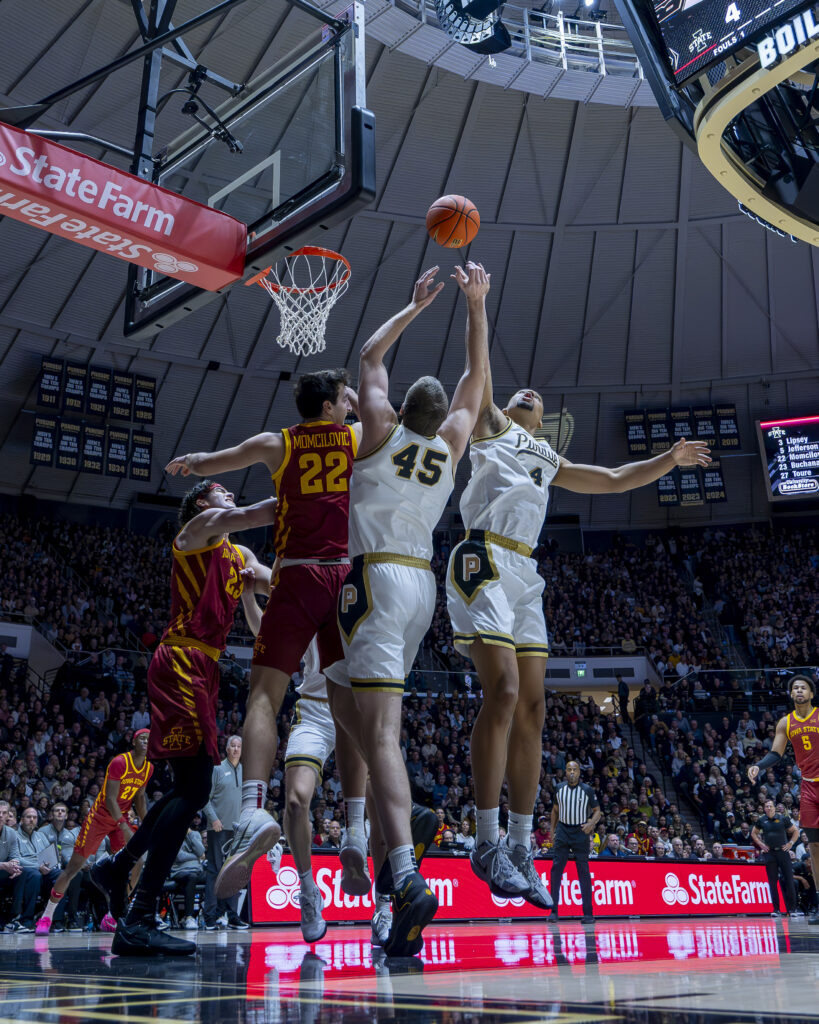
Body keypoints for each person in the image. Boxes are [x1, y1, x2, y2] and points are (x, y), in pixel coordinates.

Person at [446, 329, 711, 906]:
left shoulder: (550, 459)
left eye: (537, 397)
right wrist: (477, 305)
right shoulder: (492, 424)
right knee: (504, 691)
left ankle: (521, 846)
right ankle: (486, 840)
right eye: (521, 392)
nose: (529, 392)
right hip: (483, 555)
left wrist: (669, 460)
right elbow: (478, 368)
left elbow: (615, 480)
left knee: (534, 709)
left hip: (524, 572)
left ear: (543, 422)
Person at [325, 262, 490, 957]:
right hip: (421, 586)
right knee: (341, 697)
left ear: (395, 413)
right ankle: (392, 820)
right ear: (440, 418)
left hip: (373, 580)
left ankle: (404, 874)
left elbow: (369, 357)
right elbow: (474, 381)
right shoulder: (449, 446)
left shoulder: (379, 432)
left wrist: (417, 305)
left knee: (382, 733)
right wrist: (476, 307)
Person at [165, 372, 370, 900]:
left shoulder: (278, 443)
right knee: (351, 705)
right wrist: (358, 398)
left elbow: (220, 460)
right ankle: (357, 826)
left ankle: (254, 809)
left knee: (263, 697)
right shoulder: (354, 435)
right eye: (342, 400)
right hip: (342, 576)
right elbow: (382, 420)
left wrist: (194, 463)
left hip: (294, 574)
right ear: (332, 404)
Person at [92, 481, 274, 956]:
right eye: (221, 490)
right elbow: (255, 513)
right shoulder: (196, 532)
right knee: (194, 789)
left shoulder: (238, 554)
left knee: (185, 789)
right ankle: (139, 915)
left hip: (204, 667)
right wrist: (309, 502)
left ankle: (119, 867)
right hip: (180, 659)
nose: (230, 494)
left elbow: (272, 587)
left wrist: (315, 579)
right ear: (200, 503)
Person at [36, 731, 153, 935]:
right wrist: (125, 827)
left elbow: (140, 797)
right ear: (134, 742)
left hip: (121, 817)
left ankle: (114, 914)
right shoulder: (120, 762)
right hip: (100, 817)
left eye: (150, 739)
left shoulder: (149, 768)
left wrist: (148, 824)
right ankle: (47, 915)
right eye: (142, 738)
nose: (146, 741)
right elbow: (109, 799)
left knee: (139, 861)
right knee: (73, 868)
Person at [748, 674, 819, 924]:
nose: (799, 690)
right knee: (814, 847)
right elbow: (776, 753)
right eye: (795, 688)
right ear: (791, 694)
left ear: (811, 694)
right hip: (808, 787)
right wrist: (758, 765)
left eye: (803, 688)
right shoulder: (785, 723)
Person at [201, 735, 246, 931]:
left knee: (234, 872)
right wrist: (213, 819)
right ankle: (209, 917)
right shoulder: (217, 769)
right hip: (218, 829)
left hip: (237, 830)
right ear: (227, 749)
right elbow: (204, 797)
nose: (235, 749)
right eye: (232, 746)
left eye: (239, 746)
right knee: (215, 872)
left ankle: (232, 915)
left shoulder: (245, 770)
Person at [548, 762, 601, 922]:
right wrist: (552, 830)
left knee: (583, 871)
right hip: (563, 830)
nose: (572, 772)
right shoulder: (559, 788)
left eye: (574, 770)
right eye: (569, 770)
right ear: (565, 772)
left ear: (579, 772)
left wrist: (591, 823)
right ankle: (553, 911)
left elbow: (597, 811)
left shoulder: (587, 789)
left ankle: (588, 914)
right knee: (556, 869)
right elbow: (555, 810)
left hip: (580, 831)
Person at [35, 802, 80, 932]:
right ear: (51, 814)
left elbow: (69, 856)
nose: (60, 812)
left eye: (63, 811)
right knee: (62, 876)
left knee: (78, 874)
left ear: (66, 816)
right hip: (45, 869)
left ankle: (72, 918)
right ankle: (57, 920)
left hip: (62, 868)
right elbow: (38, 853)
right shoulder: (42, 832)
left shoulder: (69, 835)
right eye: (57, 810)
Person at [751, 798, 798, 918]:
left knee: (789, 880)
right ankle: (776, 909)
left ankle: (792, 909)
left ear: (774, 807)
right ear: (764, 808)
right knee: (772, 882)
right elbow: (753, 833)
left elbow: (795, 831)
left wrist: (790, 843)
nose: (769, 808)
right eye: (766, 806)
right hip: (770, 853)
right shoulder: (762, 820)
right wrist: (761, 844)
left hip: (783, 852)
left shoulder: (783, 818)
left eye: (770, 806)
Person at [170, 816, 207, 930]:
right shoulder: (173, 835)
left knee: (215, 876)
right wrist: (196, 857)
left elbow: (201, 851)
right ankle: (189, 917)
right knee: (192, 877)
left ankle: (217, 914)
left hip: (197, 870)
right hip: (180, 870)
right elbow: (179, 857)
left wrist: (190, 834)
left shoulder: (195, 834)